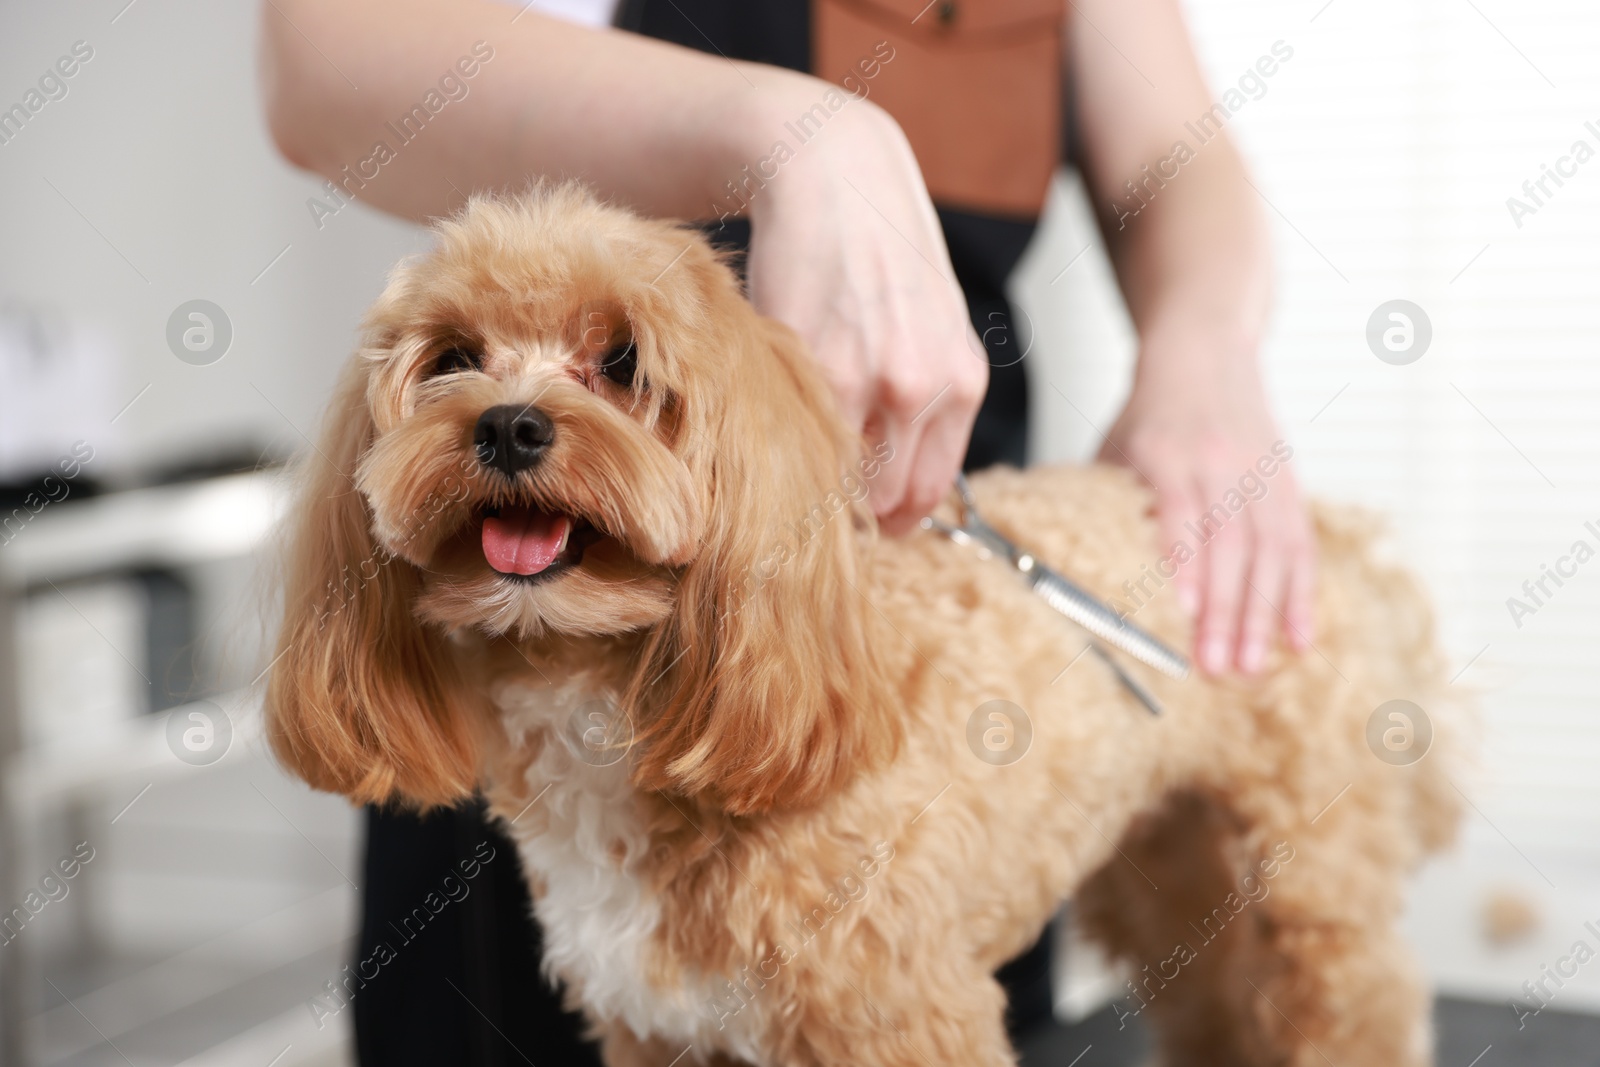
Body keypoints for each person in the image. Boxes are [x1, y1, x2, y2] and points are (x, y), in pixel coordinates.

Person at [261, 1, 1316, 1061]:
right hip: (504, 771)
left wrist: (1204, 343)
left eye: (619, 367)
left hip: (922, 536)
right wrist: (791, 133)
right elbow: (322, 64)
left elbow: (1174, 153)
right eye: (457, 359)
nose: (517, 410)